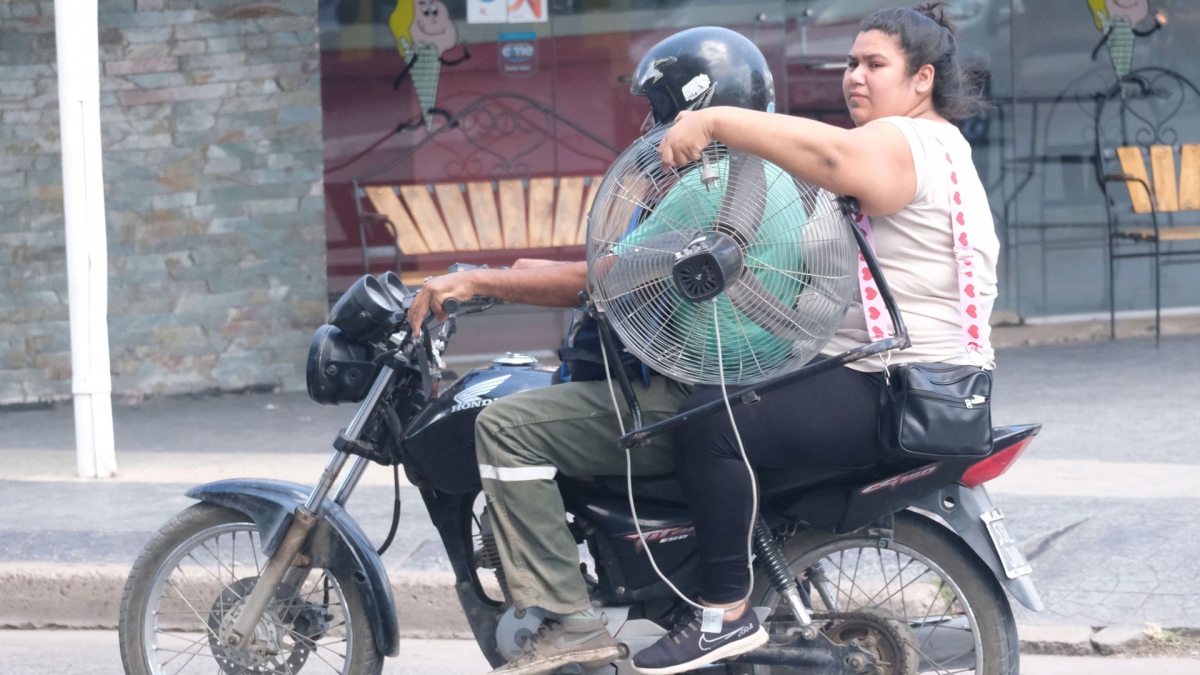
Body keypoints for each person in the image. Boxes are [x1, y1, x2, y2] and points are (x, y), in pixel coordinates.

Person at [629, 4, 999, 674]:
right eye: (851, 63)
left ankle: (724, 613)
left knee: (712, 424)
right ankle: (776, 584)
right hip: (930, 380)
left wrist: (712, 121)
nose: (855, 76)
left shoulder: (906, 141)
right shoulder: (942, 146)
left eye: (874, 65)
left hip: (899, 384)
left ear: (922, 79)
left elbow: (830, 154)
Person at [406, 27, 779, 675]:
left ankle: (569, 615)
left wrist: (479, 280)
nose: (650, 123)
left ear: (696, 104)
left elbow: (602, 278)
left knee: (505, 425)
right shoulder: (761, 176)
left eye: (659, 107)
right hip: (733, 386)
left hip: (678, 399)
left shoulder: (700, 189)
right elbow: (627, 267)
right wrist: (519, 271)